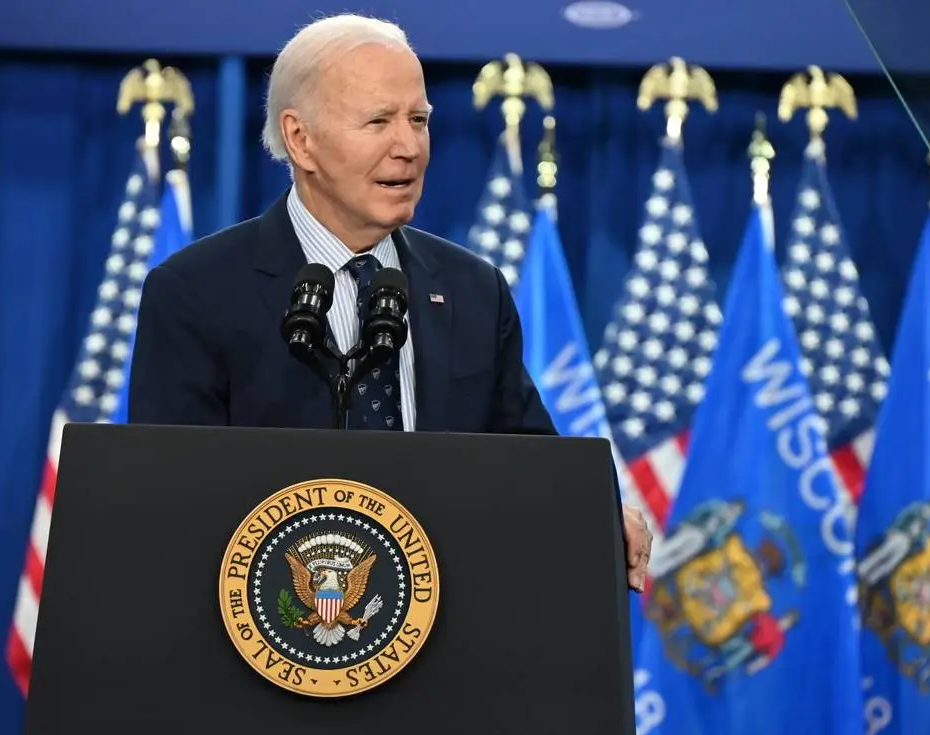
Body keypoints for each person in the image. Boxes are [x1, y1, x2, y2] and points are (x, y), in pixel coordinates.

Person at [126, 13, 653, 590]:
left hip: (443, 635)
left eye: (419, 120)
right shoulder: (196, 291)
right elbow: (168, 500)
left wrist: (594, 513)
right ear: (301, 139)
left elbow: (530, 465)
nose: (408, 147)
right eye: (378, 121)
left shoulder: (473, 289)